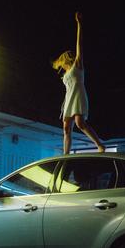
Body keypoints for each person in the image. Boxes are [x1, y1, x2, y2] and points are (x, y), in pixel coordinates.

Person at [52, 12, 105, 154]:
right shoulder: (65, 74)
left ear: (65, 60)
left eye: (61, 63)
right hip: (69, 98)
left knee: (80, 123)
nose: (60, 67)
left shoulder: (77, 65)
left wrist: (79, 24)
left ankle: (100, 145)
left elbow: (79, 44)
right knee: (66, 127)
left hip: (79, 95)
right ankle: (66, 153)